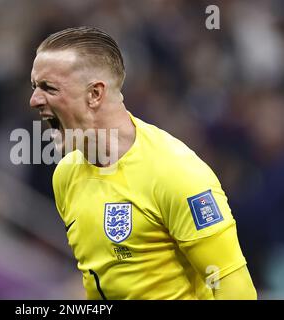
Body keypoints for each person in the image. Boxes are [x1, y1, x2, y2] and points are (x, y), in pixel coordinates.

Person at [29, 26, 257, 300]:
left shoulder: (175, 172)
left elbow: (236, 289)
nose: (34, 100)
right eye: (34, 87)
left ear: (95, 94)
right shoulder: (66, 175)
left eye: (49, 88)